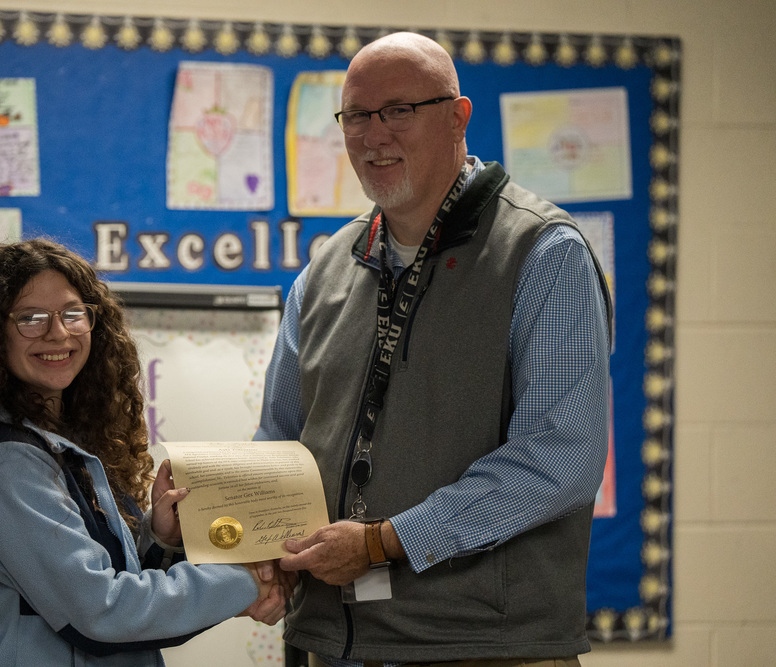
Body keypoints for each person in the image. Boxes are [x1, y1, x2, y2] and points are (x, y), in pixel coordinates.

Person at [255, 32, 612, 666]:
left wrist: (384, 542)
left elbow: (561, 457)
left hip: (484, 648)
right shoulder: (324, 270)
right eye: (356, 116)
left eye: (398, 110)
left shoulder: (543, 254)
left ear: (457, 116)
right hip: (332, 642)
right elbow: (281, 440)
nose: (374, 135)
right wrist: (245, 530)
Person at [0, 238, 286, 666]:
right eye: (30, 318)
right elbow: (102, 612)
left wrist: (159, 538)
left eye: (73, 314)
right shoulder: (4, 464)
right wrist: (245, 579)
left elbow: (97, 577)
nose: (58, 333)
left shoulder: (60, 440)